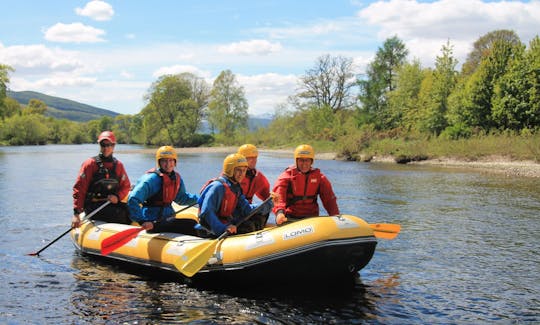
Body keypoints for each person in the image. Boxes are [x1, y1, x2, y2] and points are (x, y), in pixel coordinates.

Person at [127, 146, 199, 235]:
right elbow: (133, 199)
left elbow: (181, 198)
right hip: (152, 222)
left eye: (171, 160)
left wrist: (199, 199)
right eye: (164, 161)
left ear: (175, 162)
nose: (168, 164)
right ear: (159, 162)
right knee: (191, 224)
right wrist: (142, 221)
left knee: (193, 223)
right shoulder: (151, 179)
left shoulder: (176, 178)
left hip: (167, 218)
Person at [198, 153, 274, 237]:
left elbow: (247, 210)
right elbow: (206, 213)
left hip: (226, 223)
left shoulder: (236, 188)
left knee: (259, 215)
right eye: (238, 170)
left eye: (244, 170)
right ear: (230, 170)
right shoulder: (217, 187)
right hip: (209, 229)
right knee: (248, 226)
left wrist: (269, 203)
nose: (242, 174)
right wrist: (223, 228)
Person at [72, 131, 131, 228]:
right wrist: (76, 213)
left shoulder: (119, 166)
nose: (106, 148)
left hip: (111, 203)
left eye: (109, 145)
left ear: (114, 146)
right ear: (99, 145)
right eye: (103, 145)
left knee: (130, 212)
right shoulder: (90, 164)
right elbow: (79, 189)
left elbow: (126, 186)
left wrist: (117, 197)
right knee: (118, 214)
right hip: (93, 206)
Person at [272, 144, 339, 225]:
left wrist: (335, 216)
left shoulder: (320, 178)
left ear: (311, 162)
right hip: (290, 217)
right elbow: (279, 196)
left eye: (307, 160)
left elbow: (329, 200)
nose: (304, 164)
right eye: (301, 160)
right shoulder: (286, 177)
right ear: (296, 161)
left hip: (311, 218)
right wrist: (280, 212)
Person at [237, 144, 271, 229]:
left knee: (269, 203)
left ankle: (260, 227)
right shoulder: (233, 175)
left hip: (247, 211)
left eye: (255, 157)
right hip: (233, 212)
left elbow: (267, 197)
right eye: (249, 158)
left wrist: (279, 211)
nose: (253, 160)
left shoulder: (257, 176)